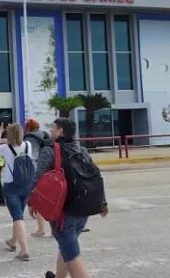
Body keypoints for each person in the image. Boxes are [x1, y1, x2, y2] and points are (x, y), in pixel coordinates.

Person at [40, 118, 108, 278]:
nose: (50, 131)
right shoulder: (81, 149)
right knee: (66, 248)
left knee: (72, 255)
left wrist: (32, 203)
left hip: (63, 214)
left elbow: (38, 179)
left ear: (60, 131)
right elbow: (95, 175)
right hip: (82, 211)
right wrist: (102, 202)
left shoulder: (50, 150)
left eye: (53, 128)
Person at [0, 123, 32, 261]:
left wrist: (0, 131)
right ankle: (13, 241)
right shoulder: (28, 145)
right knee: (19, 215)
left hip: (11, 186)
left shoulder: (5, 148)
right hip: (26, 185)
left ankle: (25, 250)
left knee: (17, 217)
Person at [24, 118, 51, 236]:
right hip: (46, 169)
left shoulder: (26, 138)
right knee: (49, 199)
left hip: (32, 170)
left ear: (28, 128)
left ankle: (41, 229)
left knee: (37, 199)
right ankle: (54, 228)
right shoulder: (45, 135)